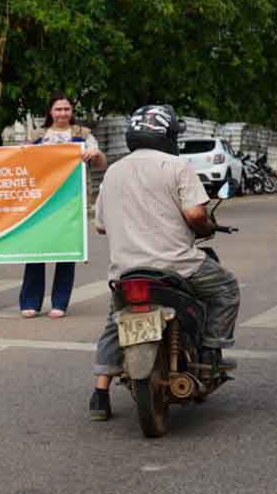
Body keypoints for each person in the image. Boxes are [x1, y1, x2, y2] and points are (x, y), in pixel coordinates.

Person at [88, 104, 240, 421]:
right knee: (226, 288)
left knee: (114, 321)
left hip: (127, 271)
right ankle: (211, 350)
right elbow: (196, 215)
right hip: (178, 266)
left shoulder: (114, 171)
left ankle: (99, 394)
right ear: (168, 135)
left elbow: (100, 224)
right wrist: (205, 228)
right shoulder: (177, 166)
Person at [19, 92, 107, 319]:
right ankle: (30, 302)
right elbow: (20, 162)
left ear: (72, 112)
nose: (62, 113)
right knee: (36, 250)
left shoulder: (83, 135)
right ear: (50, 111)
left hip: (72, 202)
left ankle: (60, 303)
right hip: (41, 201)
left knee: (67, 251)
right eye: (58, 109)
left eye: (66, 109)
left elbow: (101, 163)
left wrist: (94, 153)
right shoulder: (37, 136)